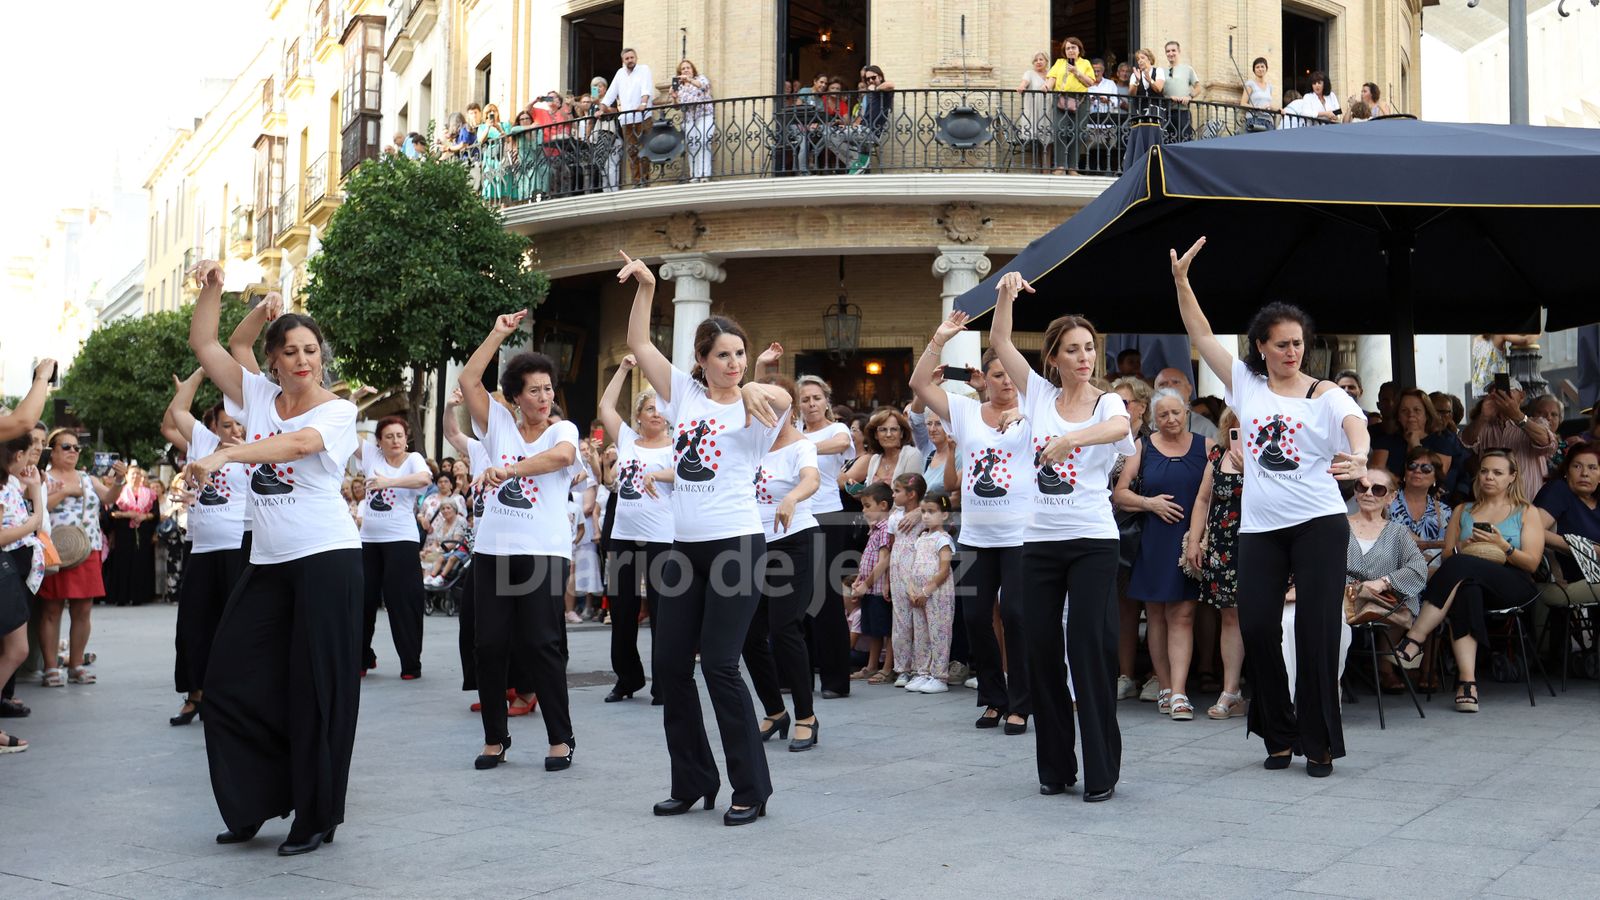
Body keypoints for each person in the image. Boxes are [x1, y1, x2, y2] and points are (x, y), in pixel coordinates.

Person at [1172, 237, 1369, 777]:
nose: (1291, 352)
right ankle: (1278, 730)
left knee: (1316, 630)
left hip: (1319, 524)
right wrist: (1184, 282)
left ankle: (1319, 740)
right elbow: (1202, 335)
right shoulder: (1246, 385)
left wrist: (1359, 457)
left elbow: (1356, 424)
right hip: (1260, 528)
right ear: (1261, 346)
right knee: (1257, 626)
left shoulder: (1325, 392)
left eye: (1298, 343)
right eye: (1281, 344)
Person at [186, 259, 362, 856]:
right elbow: (206, 342)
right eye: (290, 351)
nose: (303, 360)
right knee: (229, 679)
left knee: (316, 689)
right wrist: (213, 287)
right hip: (267, 563)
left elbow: (300, 444)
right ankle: (253, 799)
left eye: (311, 349)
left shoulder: (338, 412)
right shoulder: (256, 394)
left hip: (327, 558)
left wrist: (224, 457)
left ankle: (316, 816)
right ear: (274, 358)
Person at [620, 250, 790, 826]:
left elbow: (781, 402)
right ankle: (692, 780)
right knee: (669, 667)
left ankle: (752, 787)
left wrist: (748, 390)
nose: (735, 363)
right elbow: (641, 345)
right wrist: (647, 287)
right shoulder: (684, 397)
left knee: (719, 664)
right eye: (724, 355)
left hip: (737, 545)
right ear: (702, 359)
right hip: (683, 549)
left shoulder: (763, 400)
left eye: (740, 354)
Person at [988, 273, 1134, 800]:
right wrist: (1004, 295)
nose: (1083, 357)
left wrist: (1071, 439)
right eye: (1072, 349)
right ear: (1053, 356)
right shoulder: (1039, 393)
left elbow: (1120, 433)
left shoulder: (1108, 402)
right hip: (1040, 542)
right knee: (1040, 649)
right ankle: (1055, 767)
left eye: (1089, 348)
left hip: (1094, 540)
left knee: (1088, 648)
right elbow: (1001, 342)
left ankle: (1101, 771)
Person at [458, 313, 579, 773]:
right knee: (488, 645)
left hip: (544, 551)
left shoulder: (561, 430)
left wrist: (509, 470)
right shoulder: (498, 427)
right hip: (493, 552)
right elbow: (470, 378)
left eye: (548, 389)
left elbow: (561, 458)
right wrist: (498, 333)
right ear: (515, 396)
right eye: (534, 390)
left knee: (542, 644)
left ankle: (560, 738)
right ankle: (495, 737)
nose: (544, 397)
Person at [910, 318, 1033, 735]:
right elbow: (920, 384)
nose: (1007, 383)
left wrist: (1021, 412)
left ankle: (1021, 701)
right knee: (977, 617)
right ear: (987, 377)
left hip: (1020, 535)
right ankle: (994, 699)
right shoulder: (964, 412)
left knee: (1016, 615)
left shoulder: (1035, 411)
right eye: (998, 375)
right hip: (977, 536)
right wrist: (939, 340)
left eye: (1011, 375)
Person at [1396, 451, 1545, 713]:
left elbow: (1531, 563)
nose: (1489, 477)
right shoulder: (1463, 510)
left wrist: (1502, 546)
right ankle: (1467, 683)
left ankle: (1415, 636)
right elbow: (1447, 557)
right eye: (1485, 471)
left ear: (1512, 477)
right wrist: (1463, 546)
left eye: (1498, 473)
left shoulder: (1526, 511)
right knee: (1467, 587)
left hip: (1513, 582)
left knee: (1461, 566)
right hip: (1468, 579)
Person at [1115, 389, 1213, 722]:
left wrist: (1200, 538)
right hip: (1153, 540)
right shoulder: (1142, 446)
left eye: (1176, 413)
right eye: (1162, 415)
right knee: (1156, 615)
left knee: (1183, 615)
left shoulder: (1207, 446)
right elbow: (1120, 493)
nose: (1170, 420)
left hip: (1190, 539)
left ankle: (1181, 692)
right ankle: (1166, 687)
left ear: (1186, 412)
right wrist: (1149, 503)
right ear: (1153, 418)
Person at [162, 369, 249, 727]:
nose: (235, 432)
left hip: (239, 548)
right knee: (192, 625)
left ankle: (233, 699)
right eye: (227, 426)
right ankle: (195, 694)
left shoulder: (253, 450)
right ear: (213, 426)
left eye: (239, 426)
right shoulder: (199, 442)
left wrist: (245, 449)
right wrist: (202, 371)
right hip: (201, 548)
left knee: (236, 626)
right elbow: (178, 413)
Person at [743, 372, 821, 750]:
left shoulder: (800, 445)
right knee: (748, 633)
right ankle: (775, 711)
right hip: (753, 545)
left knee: (784, 627)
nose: (766, 412)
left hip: (794, 542)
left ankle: (806, 715)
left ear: (787, 407)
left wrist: (792, 498)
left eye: (773, 405)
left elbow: (811, 479)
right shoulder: (753, 445)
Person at [596, 356, 673, 704]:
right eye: (649, 408)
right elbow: (605, 405)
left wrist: (657, 474)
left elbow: (689, 474)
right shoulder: (626, 439)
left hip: (663, 536)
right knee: (622, 609)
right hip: (623, 532)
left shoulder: (677, 446)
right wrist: (625, 370)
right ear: (639, 416)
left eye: (661, 408)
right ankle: (627, 679)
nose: (656, 413)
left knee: (663, 611)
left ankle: (664, 683)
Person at [39, 429, 124, 686]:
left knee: (83, 610)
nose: (73, 452)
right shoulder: (43, 477)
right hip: (56, 550)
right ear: (52, 451)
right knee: (52, 609)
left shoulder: (87, 478)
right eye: (66, 447)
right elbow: (38, 506)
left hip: (87, 548)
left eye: (77, 448)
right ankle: (51, 667)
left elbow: (108, 498)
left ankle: (76, 665)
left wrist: (119, 481)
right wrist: (65, 492)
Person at [355, 417, 432, 680]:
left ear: (406, 438)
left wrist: (388, 482)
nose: (395, 440)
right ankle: (362, 657)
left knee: (403, 601)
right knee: (363, 600)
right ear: (379, 441)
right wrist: (353, 398)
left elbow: (423, 479)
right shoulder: (370, 456)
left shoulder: (414, 459)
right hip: (369, 542)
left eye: (399, 435)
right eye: (389, 436)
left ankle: (411, 663)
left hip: (402, 540)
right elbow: (342, 429)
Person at [795, 373, 855, 700]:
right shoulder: (794, 433)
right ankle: (797, 675)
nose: (811, 404)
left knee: (828, 596)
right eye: (805, 400)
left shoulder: (837, 430)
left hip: (828, 516)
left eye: (816, 398)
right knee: (796, 597)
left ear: (826, 400)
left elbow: (842, 445)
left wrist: (800, 447)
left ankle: (835, 679)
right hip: (797, 517)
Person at [1345, 468, 1430, 693]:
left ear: (1391, 497)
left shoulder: (1397, 533)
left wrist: (1384, 582)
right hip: (1343, 600)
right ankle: (1330, 684)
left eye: (1378, 489)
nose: (1368, 493)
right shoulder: (1338, 526)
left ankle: (1382, 669)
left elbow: (1418, 567)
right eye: (1362, 487)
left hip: (1383, 604)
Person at [1188, 410, 1247, 718]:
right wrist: (1196, 541)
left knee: (1269, 617)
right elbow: (1202, 499)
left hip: (1262, 544)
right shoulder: (1218, 455)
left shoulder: (1276, 457)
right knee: (1230, 617)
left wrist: (1252, 471)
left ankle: (1272, 687)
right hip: (1224, 544)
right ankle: (1231, 690)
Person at [0, 433, 46, 753]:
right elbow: (31, 524)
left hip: (14, 568)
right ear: (16, 455)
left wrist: (33, 490)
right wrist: (32, 519)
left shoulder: (11, 484)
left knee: (16, 648)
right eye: (28, 451)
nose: (32, 457)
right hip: (7, 566)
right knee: (16, 648)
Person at [1463, 387, 1555, 503]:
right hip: (1491, 506)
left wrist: (1517, 416)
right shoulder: (1484, 425)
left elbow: (1548, 443)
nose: (1502, 396)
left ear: (1521, 396)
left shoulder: (1536, 422)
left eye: (1508, 391)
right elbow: (1466, 441)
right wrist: (1483, 416)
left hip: (1528, 505)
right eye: (1496, 393)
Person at [904, 493, 957, 694]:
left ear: (944, 515)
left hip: (937, 593)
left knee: (939, 633)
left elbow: (944, 569)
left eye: (931, 512)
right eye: (923, 511)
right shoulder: (921, 538)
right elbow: (913, 566)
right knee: (921, 634)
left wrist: (927, 590)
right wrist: (912, 589)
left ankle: (939, 675)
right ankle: (923, 672)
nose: (925, 516)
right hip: (919, 594)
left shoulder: (943, 539)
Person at [846, 482, 895, 682]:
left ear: (883, 505)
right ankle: (872, 665)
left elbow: (885, 560)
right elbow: (868, 558)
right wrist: (860, 579)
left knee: (887, 629)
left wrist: (867, 584)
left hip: (878, 588)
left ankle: (888, 667)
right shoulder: (874, 528)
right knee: (874, 629)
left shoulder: (885, 529)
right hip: (870, 587)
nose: (864, 510)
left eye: (867, 505)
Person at [1533, 444, 1600, 584]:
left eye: (1592, 467)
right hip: (1570, 581)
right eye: (1577, 466)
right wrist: (1586, 548)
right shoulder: (1559, 490)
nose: (1585, 473)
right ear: (1566, 471)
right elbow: (1532, 529)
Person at [600, 48, 655, 188]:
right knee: (632, 151)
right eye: (627, 58)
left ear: (636, 57)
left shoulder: (644, 69)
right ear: (623, 60)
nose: (630, 60)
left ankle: (645, 180)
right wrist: (601, 109)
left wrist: (643, 103)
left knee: (644, 148)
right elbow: (611, 92)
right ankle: (636, 181)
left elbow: (646, 88)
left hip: (643, 117)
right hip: (627, 119)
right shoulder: (620, 73)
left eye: (632, 57)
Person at [104, 465, 159, 606]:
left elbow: (155, 514)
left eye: (138, 474)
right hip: (123, 534)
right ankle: (121, 596)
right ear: (127, 476)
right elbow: (111, 513)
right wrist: (127, 514)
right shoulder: (119, 492)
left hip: (143, 533)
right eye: (133, 474)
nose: (136, 477)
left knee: (140, 563)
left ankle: (138, 596)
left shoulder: (150, 493)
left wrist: (144, 516)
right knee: (123, 563)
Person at [1392, 446, 1452, 560]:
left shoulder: (1445, 512)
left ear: (1435, 477)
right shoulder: (1385, 501)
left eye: (1426, 468)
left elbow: (1445, 552)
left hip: (1431, 573)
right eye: (1412, 466)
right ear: (1405, 472)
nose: (1417, 471)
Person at [1048, 37, 1097, 175]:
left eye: (1073, 48)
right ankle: (1060, 166)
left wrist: (1076, 72)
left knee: (1078, 132)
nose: (1070, 51)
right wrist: (1046, 86)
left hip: (1080, 100)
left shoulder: (1085, 63)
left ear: (1079, 49)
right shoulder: (1060, 62)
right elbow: (1052, 78)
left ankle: (1072, 168)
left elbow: (1090, 83)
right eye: (1068, 48)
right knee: (1059, 130)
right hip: (1061, 99)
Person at [839, 407, 919, 491]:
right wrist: (861, 492)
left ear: (901, 433)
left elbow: (911, 495)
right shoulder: (875, 459)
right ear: (876, 435)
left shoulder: (912, 456)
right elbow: (872, 496)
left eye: (894, 429)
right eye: (883, 430)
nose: (888, 434)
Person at [671, 59, 715, 183]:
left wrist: (688, 80)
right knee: (692, 145)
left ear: (693, 69)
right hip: (689, 119)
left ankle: (704, 174)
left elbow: (704, 86)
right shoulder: (679, 87)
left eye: (688, 68)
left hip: (704, 115)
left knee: (703, 141)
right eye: (683, 69)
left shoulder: (701, 78)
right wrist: (674, 98)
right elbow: (676, 107)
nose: (685, 70)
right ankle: (695, 175)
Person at [1155, 367, 1219, 439]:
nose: (1170, 387)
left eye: (1176, 382)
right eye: (1163, 384)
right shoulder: (1148, 427)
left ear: (1189, 390)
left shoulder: (1206, 428)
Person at [1018, 52, 1053, 169]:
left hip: (1048, 111)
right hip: (1033, 111)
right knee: (1036, 142)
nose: (1038, 62)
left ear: (1046, 62)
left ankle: (1046, 169)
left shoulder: (1051, 75)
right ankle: (1040, 170)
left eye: (1041, 59)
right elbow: (1025, 82)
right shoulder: (1029, 73)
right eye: (1036, 60)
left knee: (1047, 142)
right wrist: (1022, 86)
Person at [1160, 41, 1201, 140]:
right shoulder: (1161, 71)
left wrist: (1189, 97)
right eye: (1168, 51)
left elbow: (1198, 87)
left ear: (1179, 51)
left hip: (1183, 112)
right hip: (1166, 113)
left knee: (1184, 142)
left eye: (1173, 50)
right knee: (1167, 143)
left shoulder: (1187, 69)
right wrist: (1169, 98)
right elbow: (1158, 90)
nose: (1170, 53)